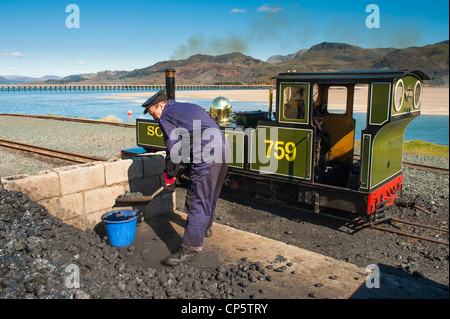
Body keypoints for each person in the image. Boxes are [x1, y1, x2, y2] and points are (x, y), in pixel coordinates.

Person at [142, 90, 229, 266]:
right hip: (223, 147)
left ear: (161, 105)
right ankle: (205, 227)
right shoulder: (189, 107)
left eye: (153, 113)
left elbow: (174, 149)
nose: (155, 119)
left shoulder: (166, 116)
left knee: (197, 198)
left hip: (207, 151)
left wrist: (169, 175)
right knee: (210, 193)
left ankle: (190, 249)